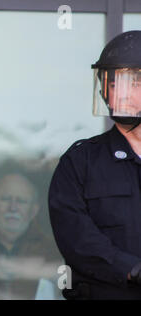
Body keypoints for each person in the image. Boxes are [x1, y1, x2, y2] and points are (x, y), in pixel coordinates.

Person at [49, 30, 141, 299]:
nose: (122, 94)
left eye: (134, 83)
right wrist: (131, 269)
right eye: (114, 84)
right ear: (103, 90)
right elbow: (76, 239)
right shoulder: (80, 162)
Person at [0, 173, 63, 299]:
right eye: (6, 199)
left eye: (21, 201)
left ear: (34, 210)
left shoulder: (53, 252)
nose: (13, 208)